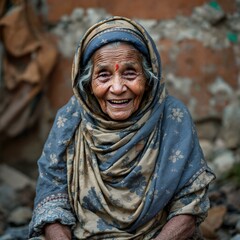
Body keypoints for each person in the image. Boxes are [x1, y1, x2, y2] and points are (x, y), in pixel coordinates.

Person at [29, 16, 215, 240]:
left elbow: (189, 205)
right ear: (88, 82)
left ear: (148, 78)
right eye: (104, 75)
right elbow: (51, 202)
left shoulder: (172, 117)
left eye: (129, 73)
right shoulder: (69, 120)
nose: (117, 88)